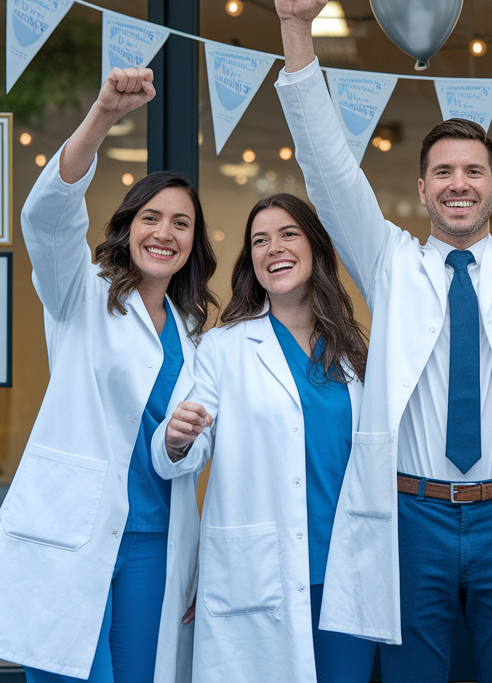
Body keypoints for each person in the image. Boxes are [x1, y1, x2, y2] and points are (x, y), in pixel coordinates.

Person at [272, 0, 492, 682]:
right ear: (422, 189)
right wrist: (296, 33)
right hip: (411, 516)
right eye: (445, 173)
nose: (459, 184)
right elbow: (328, 169)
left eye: (474, 172)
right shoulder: (391, 261)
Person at [0, 68, 214, 682]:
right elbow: (47, 217)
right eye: (152, 218)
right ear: (126, 229)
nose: (166, 233)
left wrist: (182, 442)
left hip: (156, 537)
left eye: (182, 224)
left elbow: (197, 439)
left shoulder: (194, 328)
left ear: (194, 243)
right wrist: (101, 115)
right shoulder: (81, 292)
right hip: (73, 532)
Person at [152, 193, 376, 683]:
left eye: (288, 234)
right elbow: (189, 445)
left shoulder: (354, 353)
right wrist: (176, 437)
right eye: (259, 240)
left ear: (315, 247)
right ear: (250, 260)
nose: (274, 247)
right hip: (261, 574)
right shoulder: (223, 348)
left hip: (346, 572)